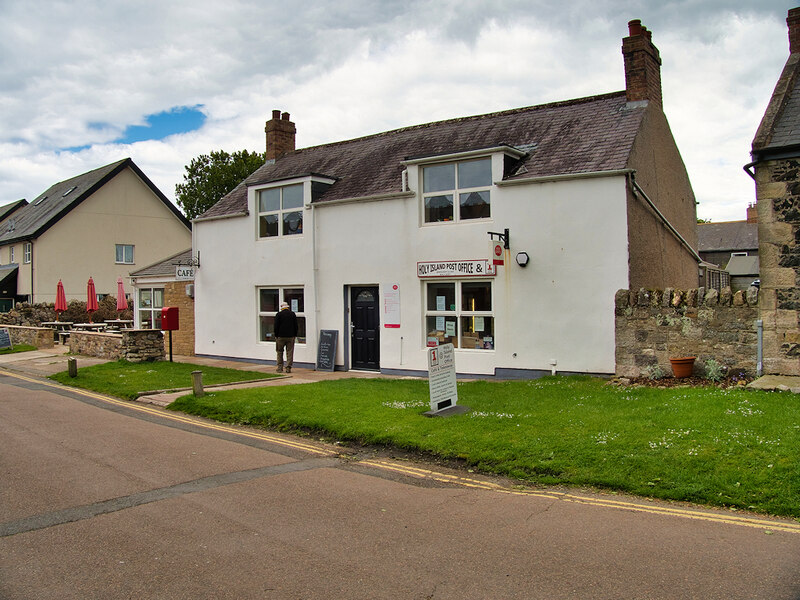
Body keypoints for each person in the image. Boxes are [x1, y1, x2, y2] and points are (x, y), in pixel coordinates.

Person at [274, 301, 298, 373]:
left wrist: (276, 335)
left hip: (280, 337)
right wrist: (295, 335)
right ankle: (288, 367)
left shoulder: (279, 315)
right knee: (290, 352)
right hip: (290, 336)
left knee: (279, 352)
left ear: (282, 308)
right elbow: (296, 326)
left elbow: (276, 326)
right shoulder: (292, 314)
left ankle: (280, 367)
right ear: (288, 307)